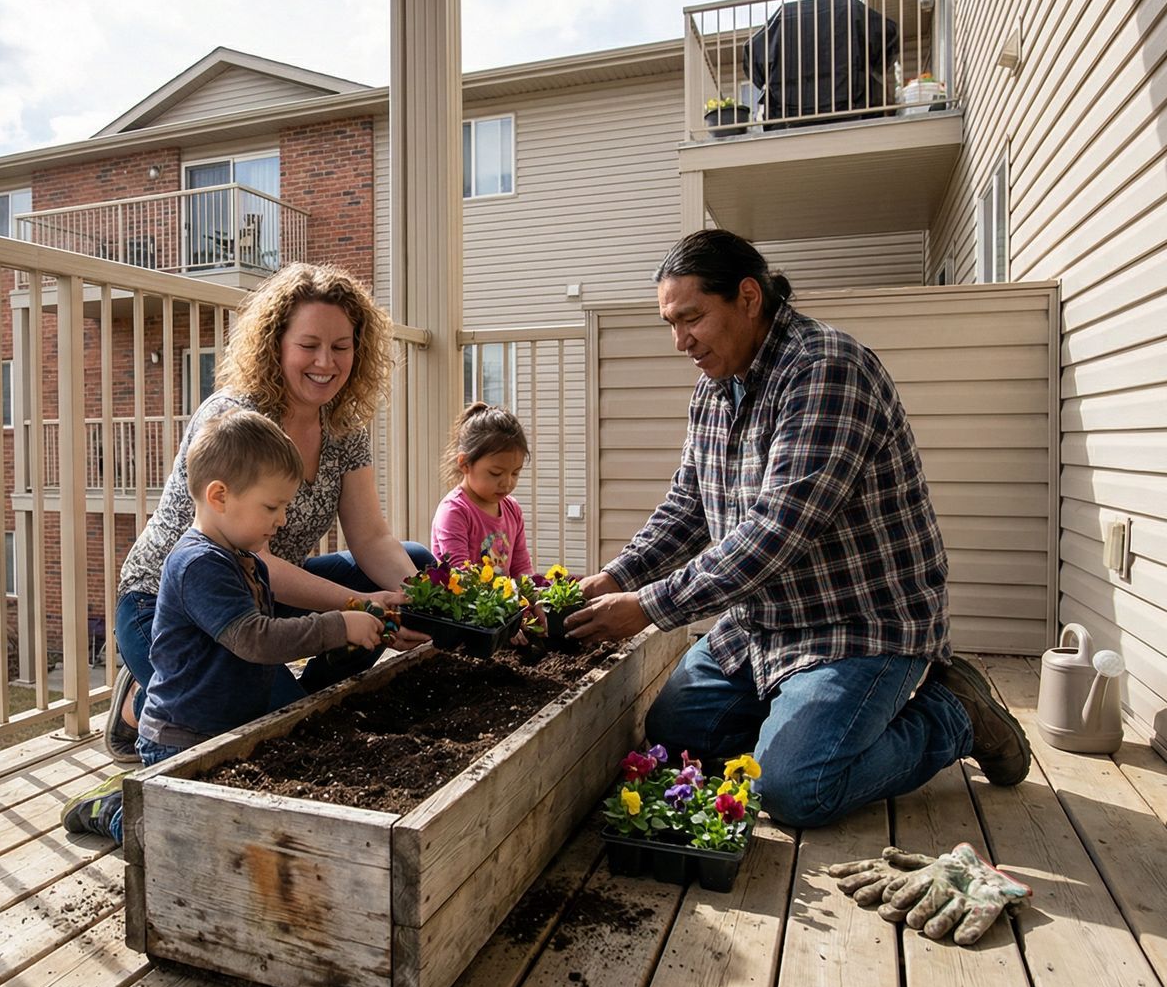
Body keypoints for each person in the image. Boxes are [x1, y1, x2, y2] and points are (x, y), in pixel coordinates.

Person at [565, 229, 1030, 828]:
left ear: (749, 297)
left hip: (860, 623)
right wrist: (615, 576)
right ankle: (808, 720)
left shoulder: (826, 370)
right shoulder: (713, 391)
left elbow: (778, 530)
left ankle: (954, 714)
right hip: (762, 624)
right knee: (678, 733)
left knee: (793, 788)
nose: (680, 341)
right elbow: (688, 508)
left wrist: (651, 606)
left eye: (692, 319)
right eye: (670, 324)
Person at [107, 263, 432, 762]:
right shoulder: (237, 419)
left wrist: (416, 604)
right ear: (276, 343)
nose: (325, 361)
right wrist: (356, 610)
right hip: (170, 604)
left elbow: (371, 538)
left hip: (257, 594)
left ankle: (317, 696)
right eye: (309, 345)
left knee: (413, 562)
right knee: (276, 733)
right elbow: (259, 558)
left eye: (341, 346)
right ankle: (139, 704)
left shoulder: (342, 426)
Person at [62, 410, 391, 839]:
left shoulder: (243, 556)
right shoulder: (198, 563)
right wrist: (337, 627)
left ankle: (141, 796)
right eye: (272, 506)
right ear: (219, 496)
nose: (283, 520)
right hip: (182, 739)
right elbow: (255, 639)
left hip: (229, 729)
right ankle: (115, 809)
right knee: (179, 839)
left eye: (285, 506)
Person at [430, 402, 532, 576]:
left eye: (515, 473)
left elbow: (521, 568)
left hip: (503, 601)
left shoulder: (512, 509)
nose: (507, 483)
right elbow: (460, 575)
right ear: (464, 463)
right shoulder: (455, 511)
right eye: (495, 473)